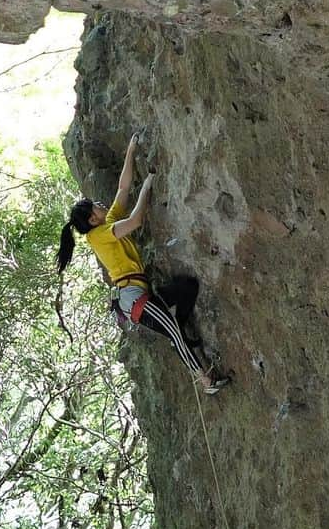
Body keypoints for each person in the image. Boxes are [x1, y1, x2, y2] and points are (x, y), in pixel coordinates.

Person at [56, 134, 230, 395]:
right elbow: (135, 221)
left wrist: (131, 149)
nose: (102, 205)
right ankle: (206, 381)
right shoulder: (99, 235)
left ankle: (178, 331)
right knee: (174, 331)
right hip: (134, 298)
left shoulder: (106, 223)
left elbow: (123, 190)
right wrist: (148, 185)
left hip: (138, 294)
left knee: (187, 287)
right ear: (92, 219)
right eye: (96, 206)